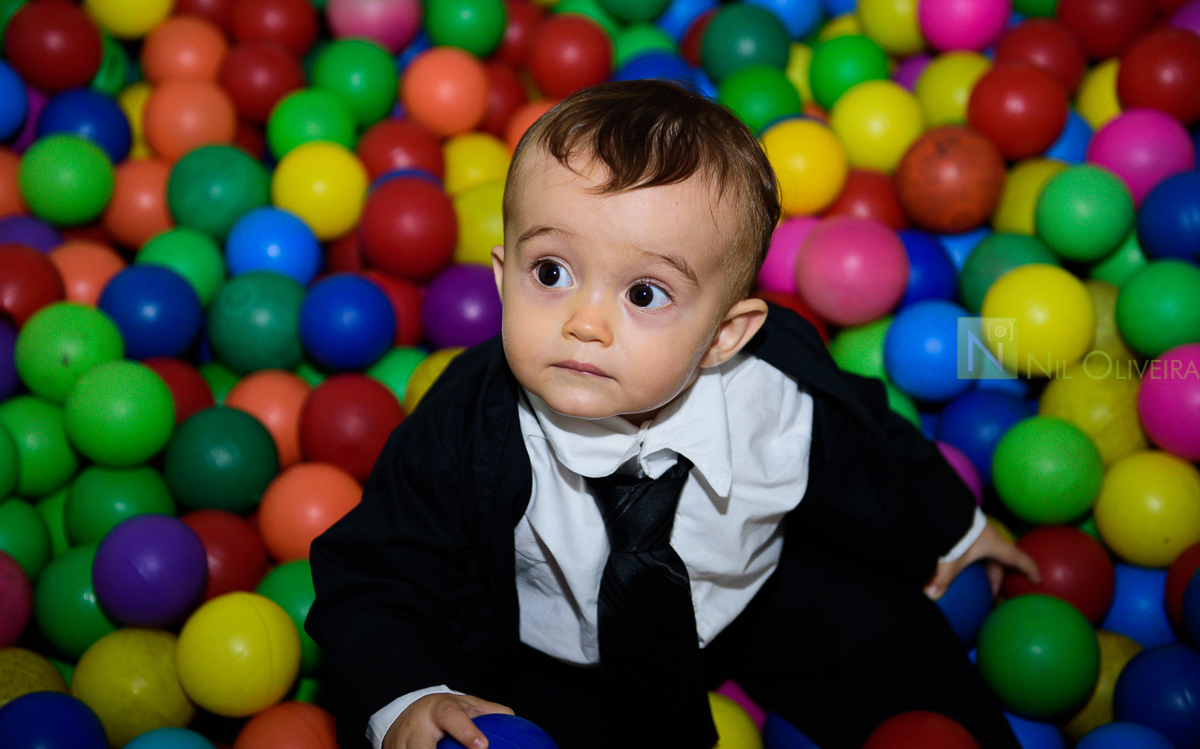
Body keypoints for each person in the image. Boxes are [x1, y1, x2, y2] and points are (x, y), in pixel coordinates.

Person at [306, 79, 1039, 749]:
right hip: (558, 658)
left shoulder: (774, 392)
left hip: (755, 591)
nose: (585, 322)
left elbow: (870, 445)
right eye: (551, 273)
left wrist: (955, 527)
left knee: (898, 642)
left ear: (725, 335)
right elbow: (379, 569)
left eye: (644, 294)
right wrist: (409, 693)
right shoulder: (466, 424)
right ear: (502, 279)